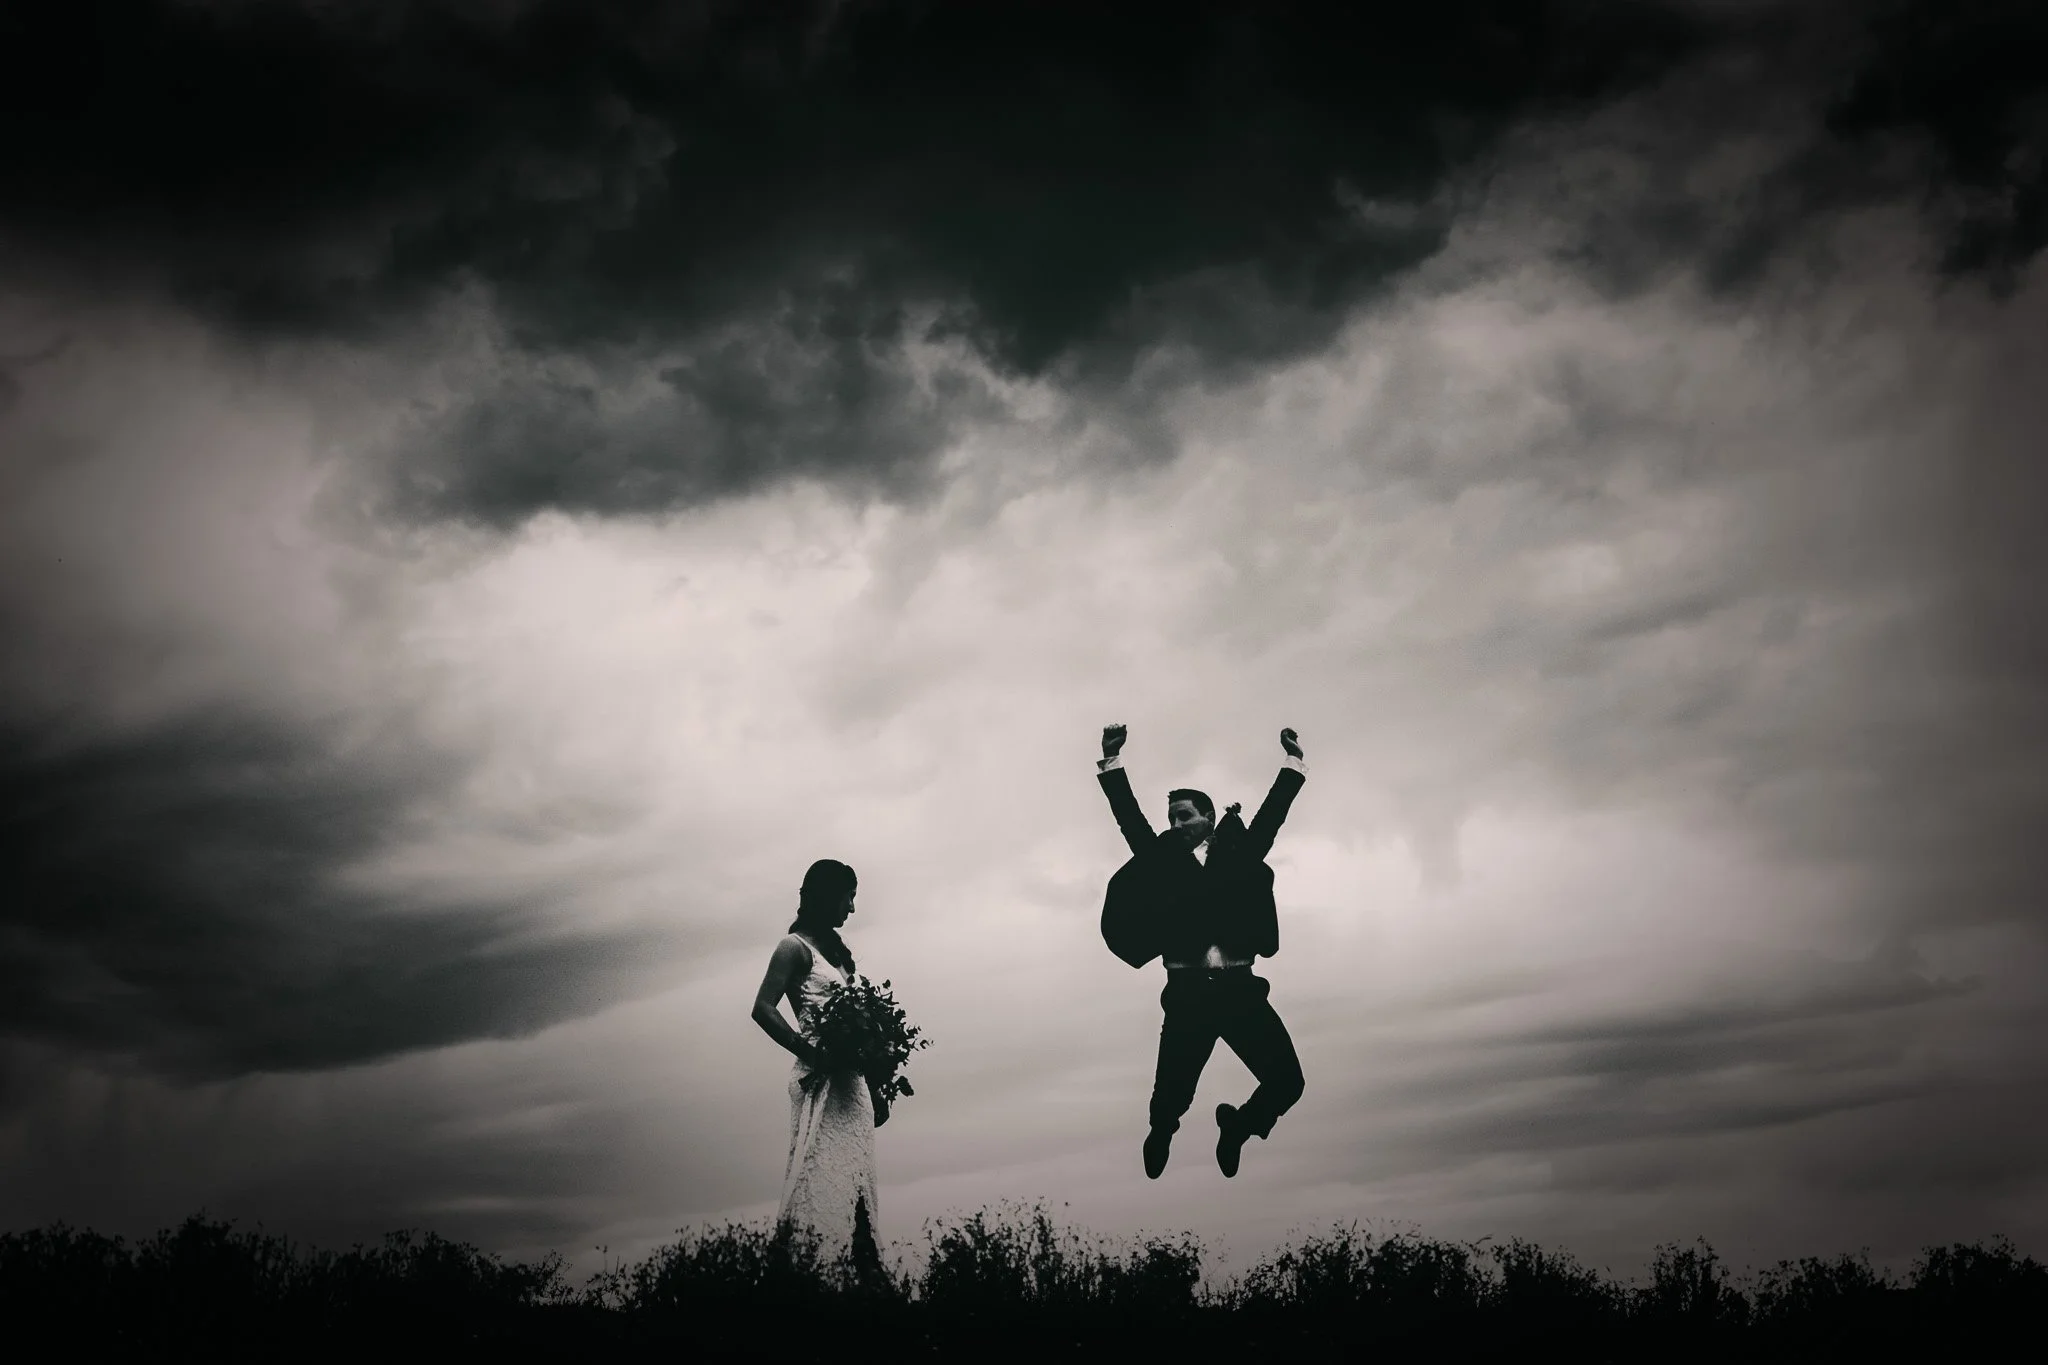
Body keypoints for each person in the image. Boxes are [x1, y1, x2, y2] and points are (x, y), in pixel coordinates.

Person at [1096, 724, 1308, 1179]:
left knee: (1288, 1083)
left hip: (1240, 993)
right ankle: (1161, 1131)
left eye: (1186, 816)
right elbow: (1128, 818)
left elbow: (1275, 813)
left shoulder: (1241, 853)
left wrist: (1293, 762)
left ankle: (1239, 1126)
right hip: (1188, 995)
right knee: (1172, 1095)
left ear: (1209, 818)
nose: (1176, 825)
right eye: (1171, 818)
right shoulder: (1161, 860)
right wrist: (1112, 761)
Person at [750, 858, 887, 1275]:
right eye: (848, 897)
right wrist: (810, 1052)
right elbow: (762, 1008)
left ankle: (863, 1274)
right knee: (821, 1173)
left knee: (858, 1182)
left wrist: (878, 1086)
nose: (851, 908)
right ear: (828, 895)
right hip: (821, 1082)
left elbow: (861, 1029)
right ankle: (812, 1273)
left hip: (854, 1087)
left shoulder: (842, 959)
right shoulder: (793, 948)